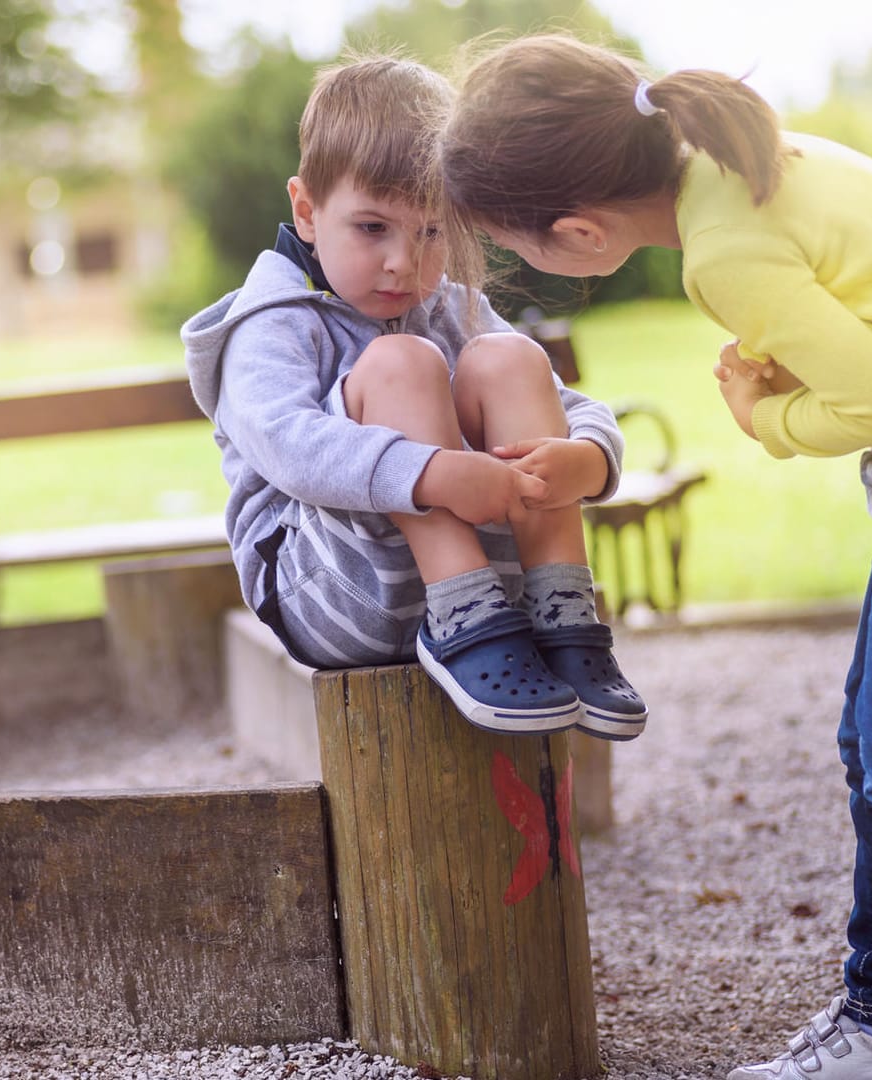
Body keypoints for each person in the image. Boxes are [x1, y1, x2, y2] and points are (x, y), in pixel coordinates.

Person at [438, 31, 872, 1080]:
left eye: (519, 248)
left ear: (582, 231)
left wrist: (761, 417)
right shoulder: (733, 162)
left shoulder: (726, 253)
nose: (524, 267)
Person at [181, 53, 647, 740]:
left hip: (502, 602)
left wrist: (589, 457)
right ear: (307, 210)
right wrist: (430, 473)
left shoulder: (453, 306)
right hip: (334, 592)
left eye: (432, 232)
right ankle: (465, 616)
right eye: (373, 229)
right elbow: (288, 446)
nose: (405, 262)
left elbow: (562, 401)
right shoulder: (270, 324)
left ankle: (564, 609)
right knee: (401, 363)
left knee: (509, 356)